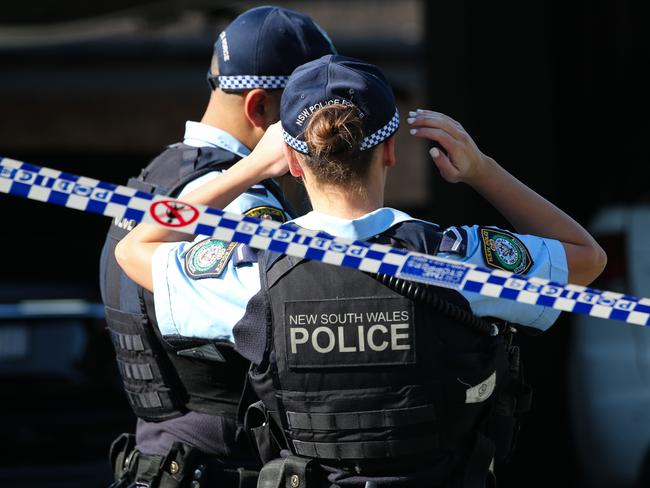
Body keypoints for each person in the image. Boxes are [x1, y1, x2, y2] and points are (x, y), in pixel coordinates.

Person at [115, 54, 606, 487]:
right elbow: (587, 257)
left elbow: (139, 244)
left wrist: (247, 170)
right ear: (390, 151)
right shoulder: (455, 260)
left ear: (291, 160)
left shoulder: (254, 271)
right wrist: (482, 170)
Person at [99, 7, 335, 487]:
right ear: (261, 110)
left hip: (154, 463)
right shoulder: (241, 204)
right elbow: (297, 340)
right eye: (317, 111)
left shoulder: (154, 179)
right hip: (225, 467)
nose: (329, 130)